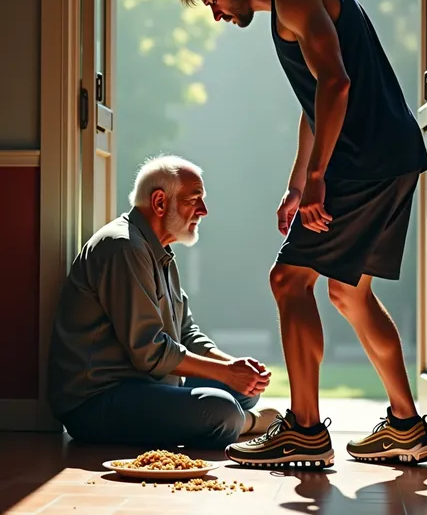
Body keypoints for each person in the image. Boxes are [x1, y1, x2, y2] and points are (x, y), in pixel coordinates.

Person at [177, 0, 427, 468]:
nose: (217, 13)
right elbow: (317, 96)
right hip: (391, 157)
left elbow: (337, 84)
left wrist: (320, 176)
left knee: (289, 280)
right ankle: (408, 426)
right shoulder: (293, 1)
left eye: (213, 0)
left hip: (362, 161)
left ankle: (302, 428)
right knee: (348, 294)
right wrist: (299, 182)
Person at [48, 155, 278, 449]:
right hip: (96, 401)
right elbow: (150, 351)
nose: (204, 211)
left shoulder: (160, 250)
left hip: (147, 385)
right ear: (159, 202)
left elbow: (185, 332)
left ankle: (238, 417)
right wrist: (225, 374)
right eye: (194, 199)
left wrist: (231, 365)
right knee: (223, 408)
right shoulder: (123, 247)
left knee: (245, 391)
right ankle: (252, 423)